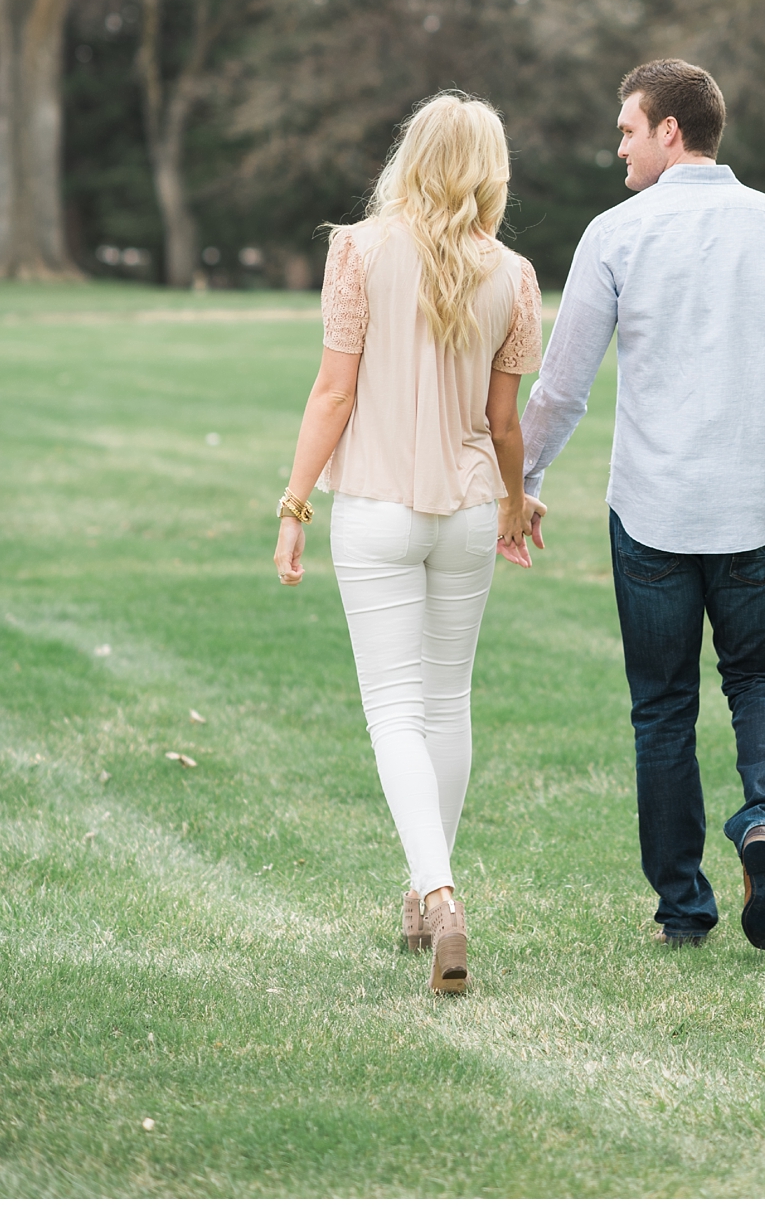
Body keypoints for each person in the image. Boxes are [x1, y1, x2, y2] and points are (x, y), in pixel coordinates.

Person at [518, 58, 765, 951]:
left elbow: (562, 385)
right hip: (754, 509)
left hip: (653, 513)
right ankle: (764, 821)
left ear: (672, 129)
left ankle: (684, 908)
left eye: (627, 128)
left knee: (663, 707)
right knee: (760, 680)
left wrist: (526, 480)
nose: (618, 146)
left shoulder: (615, 233)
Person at [272, 94, 544, 995]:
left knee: (395, 710)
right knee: (447, 700)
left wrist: (294, 502)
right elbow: (506, 424)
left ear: (411, 158)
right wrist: (515, 503)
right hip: (468, 511)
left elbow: (332, 395)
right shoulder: (515, 274)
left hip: (378, 509)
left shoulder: (357, 251)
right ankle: (427, 898)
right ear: (491, 169)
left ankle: (440, 891)